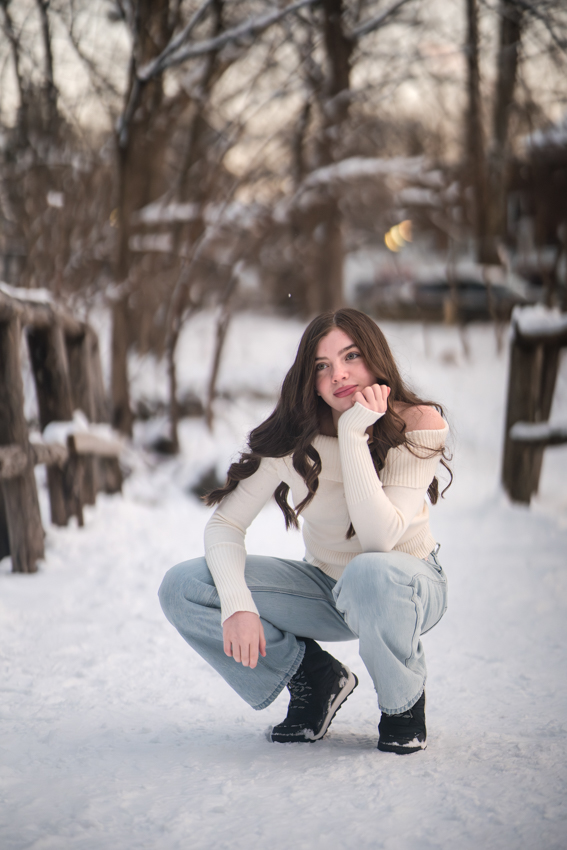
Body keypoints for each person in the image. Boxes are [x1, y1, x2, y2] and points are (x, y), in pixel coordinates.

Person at [159, 308, 451, 754]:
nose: (340, 375)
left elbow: (380, 542)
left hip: (406, 585)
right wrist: (237, 605)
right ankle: (314, 679)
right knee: (184, 587)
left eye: (351, 356)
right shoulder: (296, 438)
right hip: (328, 590)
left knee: (369, 572)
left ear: (375, 358)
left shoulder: (416, 423)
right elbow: (226, 523)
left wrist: (355, 436)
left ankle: (402, 706)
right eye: (322, 366)